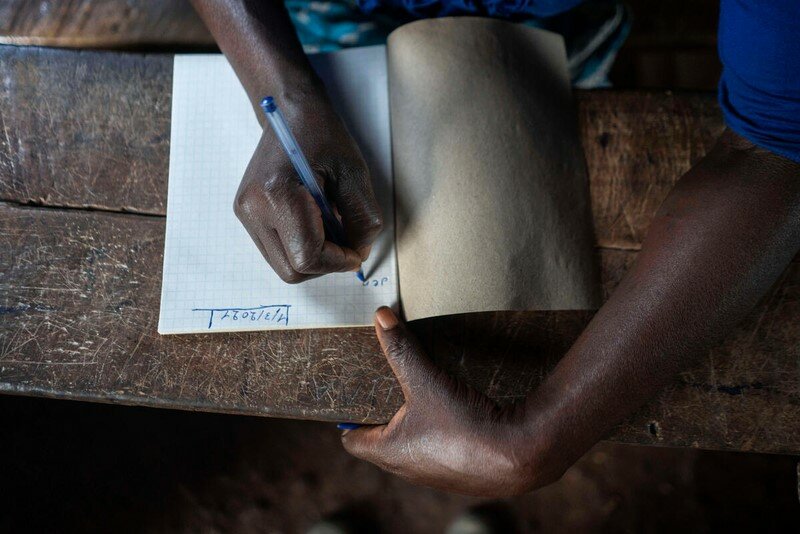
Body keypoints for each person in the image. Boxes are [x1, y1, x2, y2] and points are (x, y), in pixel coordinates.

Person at [190, 0, 800, 496]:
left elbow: (776, 145)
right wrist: (280, 89)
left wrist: (540, 437)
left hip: (554, 38)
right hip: (309, 23)